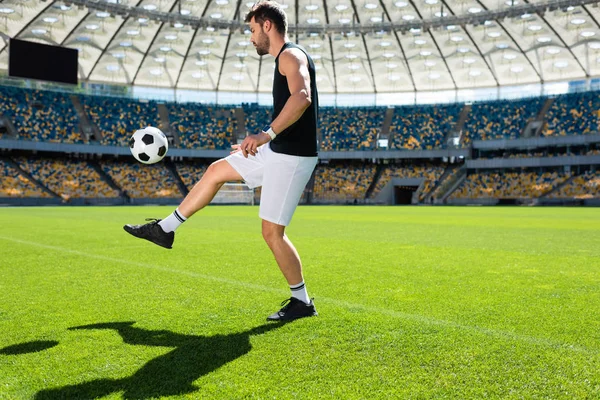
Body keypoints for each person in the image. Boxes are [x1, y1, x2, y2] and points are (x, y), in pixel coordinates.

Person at [123, 0, 319, 322]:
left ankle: (302, 302)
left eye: (253, 29)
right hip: (279, 150)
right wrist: (257, 143)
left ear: (267, 25)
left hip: (292, 157)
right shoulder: (283, 59)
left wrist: (265, 135)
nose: (251, 37)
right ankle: (165, 230)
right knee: (217, 170)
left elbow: (302, 98)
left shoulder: (291, 55)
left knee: (272, 234)